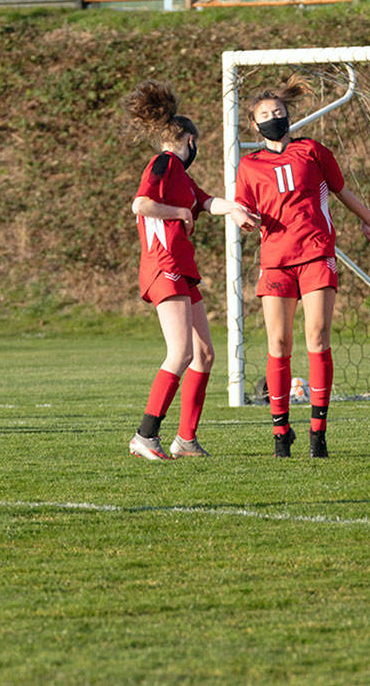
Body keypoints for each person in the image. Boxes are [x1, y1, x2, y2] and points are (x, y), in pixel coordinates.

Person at [234, 75, 370, 458]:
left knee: (317, 338)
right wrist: (242, 217)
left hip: (316, 254)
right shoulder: (249, 165)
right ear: (255, 125)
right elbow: (243, 206)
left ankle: (318, 432)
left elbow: (341, 190)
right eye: (265, 114)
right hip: (276, 262)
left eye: (279, 112)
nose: (274, 118)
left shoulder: (314, 151)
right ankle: (281, 432)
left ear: (289, 116)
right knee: (278, 344)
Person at [126, 81, 258, 460]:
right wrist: (179, 212)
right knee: (181, 352)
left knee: (204, 354)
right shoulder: (165, 162)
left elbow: (206, 201)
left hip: (182, 269)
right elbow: (141, 204)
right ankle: (145, 436)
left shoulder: (182, 177)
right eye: (195, 143)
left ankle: (185, 440)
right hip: (163, 264)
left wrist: (234, 209)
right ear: (187, 139)